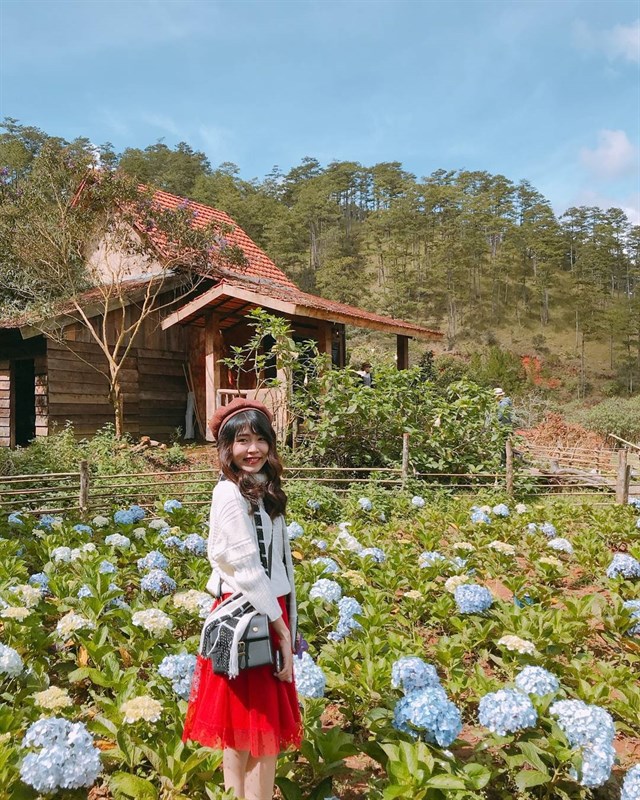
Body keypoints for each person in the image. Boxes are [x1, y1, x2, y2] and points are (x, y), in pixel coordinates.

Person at [182, 398, 302, 800]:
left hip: (268, 610)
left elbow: (277, 565)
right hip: (252, 616)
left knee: (248, 732)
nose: (252, 450)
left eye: (260, 440)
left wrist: (286, 621)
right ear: (226, 448)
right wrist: (281, 628)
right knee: (257, 732)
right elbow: (247, 568)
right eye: (242, 441)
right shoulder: (229, 495)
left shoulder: (265, 489)